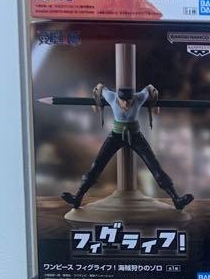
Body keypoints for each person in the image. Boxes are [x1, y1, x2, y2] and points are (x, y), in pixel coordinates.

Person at [62, 82, 194, 211]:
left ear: (133, 98)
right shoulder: (112, 97)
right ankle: (77, 198)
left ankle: (176, 199)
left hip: (135, 136)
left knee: (155, 166)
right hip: (115, 136)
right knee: (97, 165)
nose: (125, 104)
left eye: (128, 101)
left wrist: (153, 97)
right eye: (123, 101)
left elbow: (149, 88)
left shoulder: (138, 98)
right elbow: (101, 88)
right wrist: (97, 92)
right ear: (118, 97)